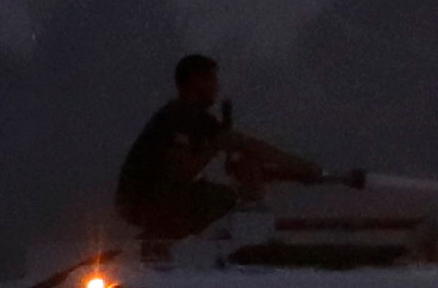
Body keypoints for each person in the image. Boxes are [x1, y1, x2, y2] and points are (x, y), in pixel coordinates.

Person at [112, 53, 325, 245]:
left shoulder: (194, 118)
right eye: (212, 79)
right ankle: (171, 237)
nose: (216, 86)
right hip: (142, 200)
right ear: (196, 81)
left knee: (226, 196)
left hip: (148, 199)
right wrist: (216, 146)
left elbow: (249, 145)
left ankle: (173, 236)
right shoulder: (179, 118)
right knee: (225, 198)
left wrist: (302, 167)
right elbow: (181, 172)